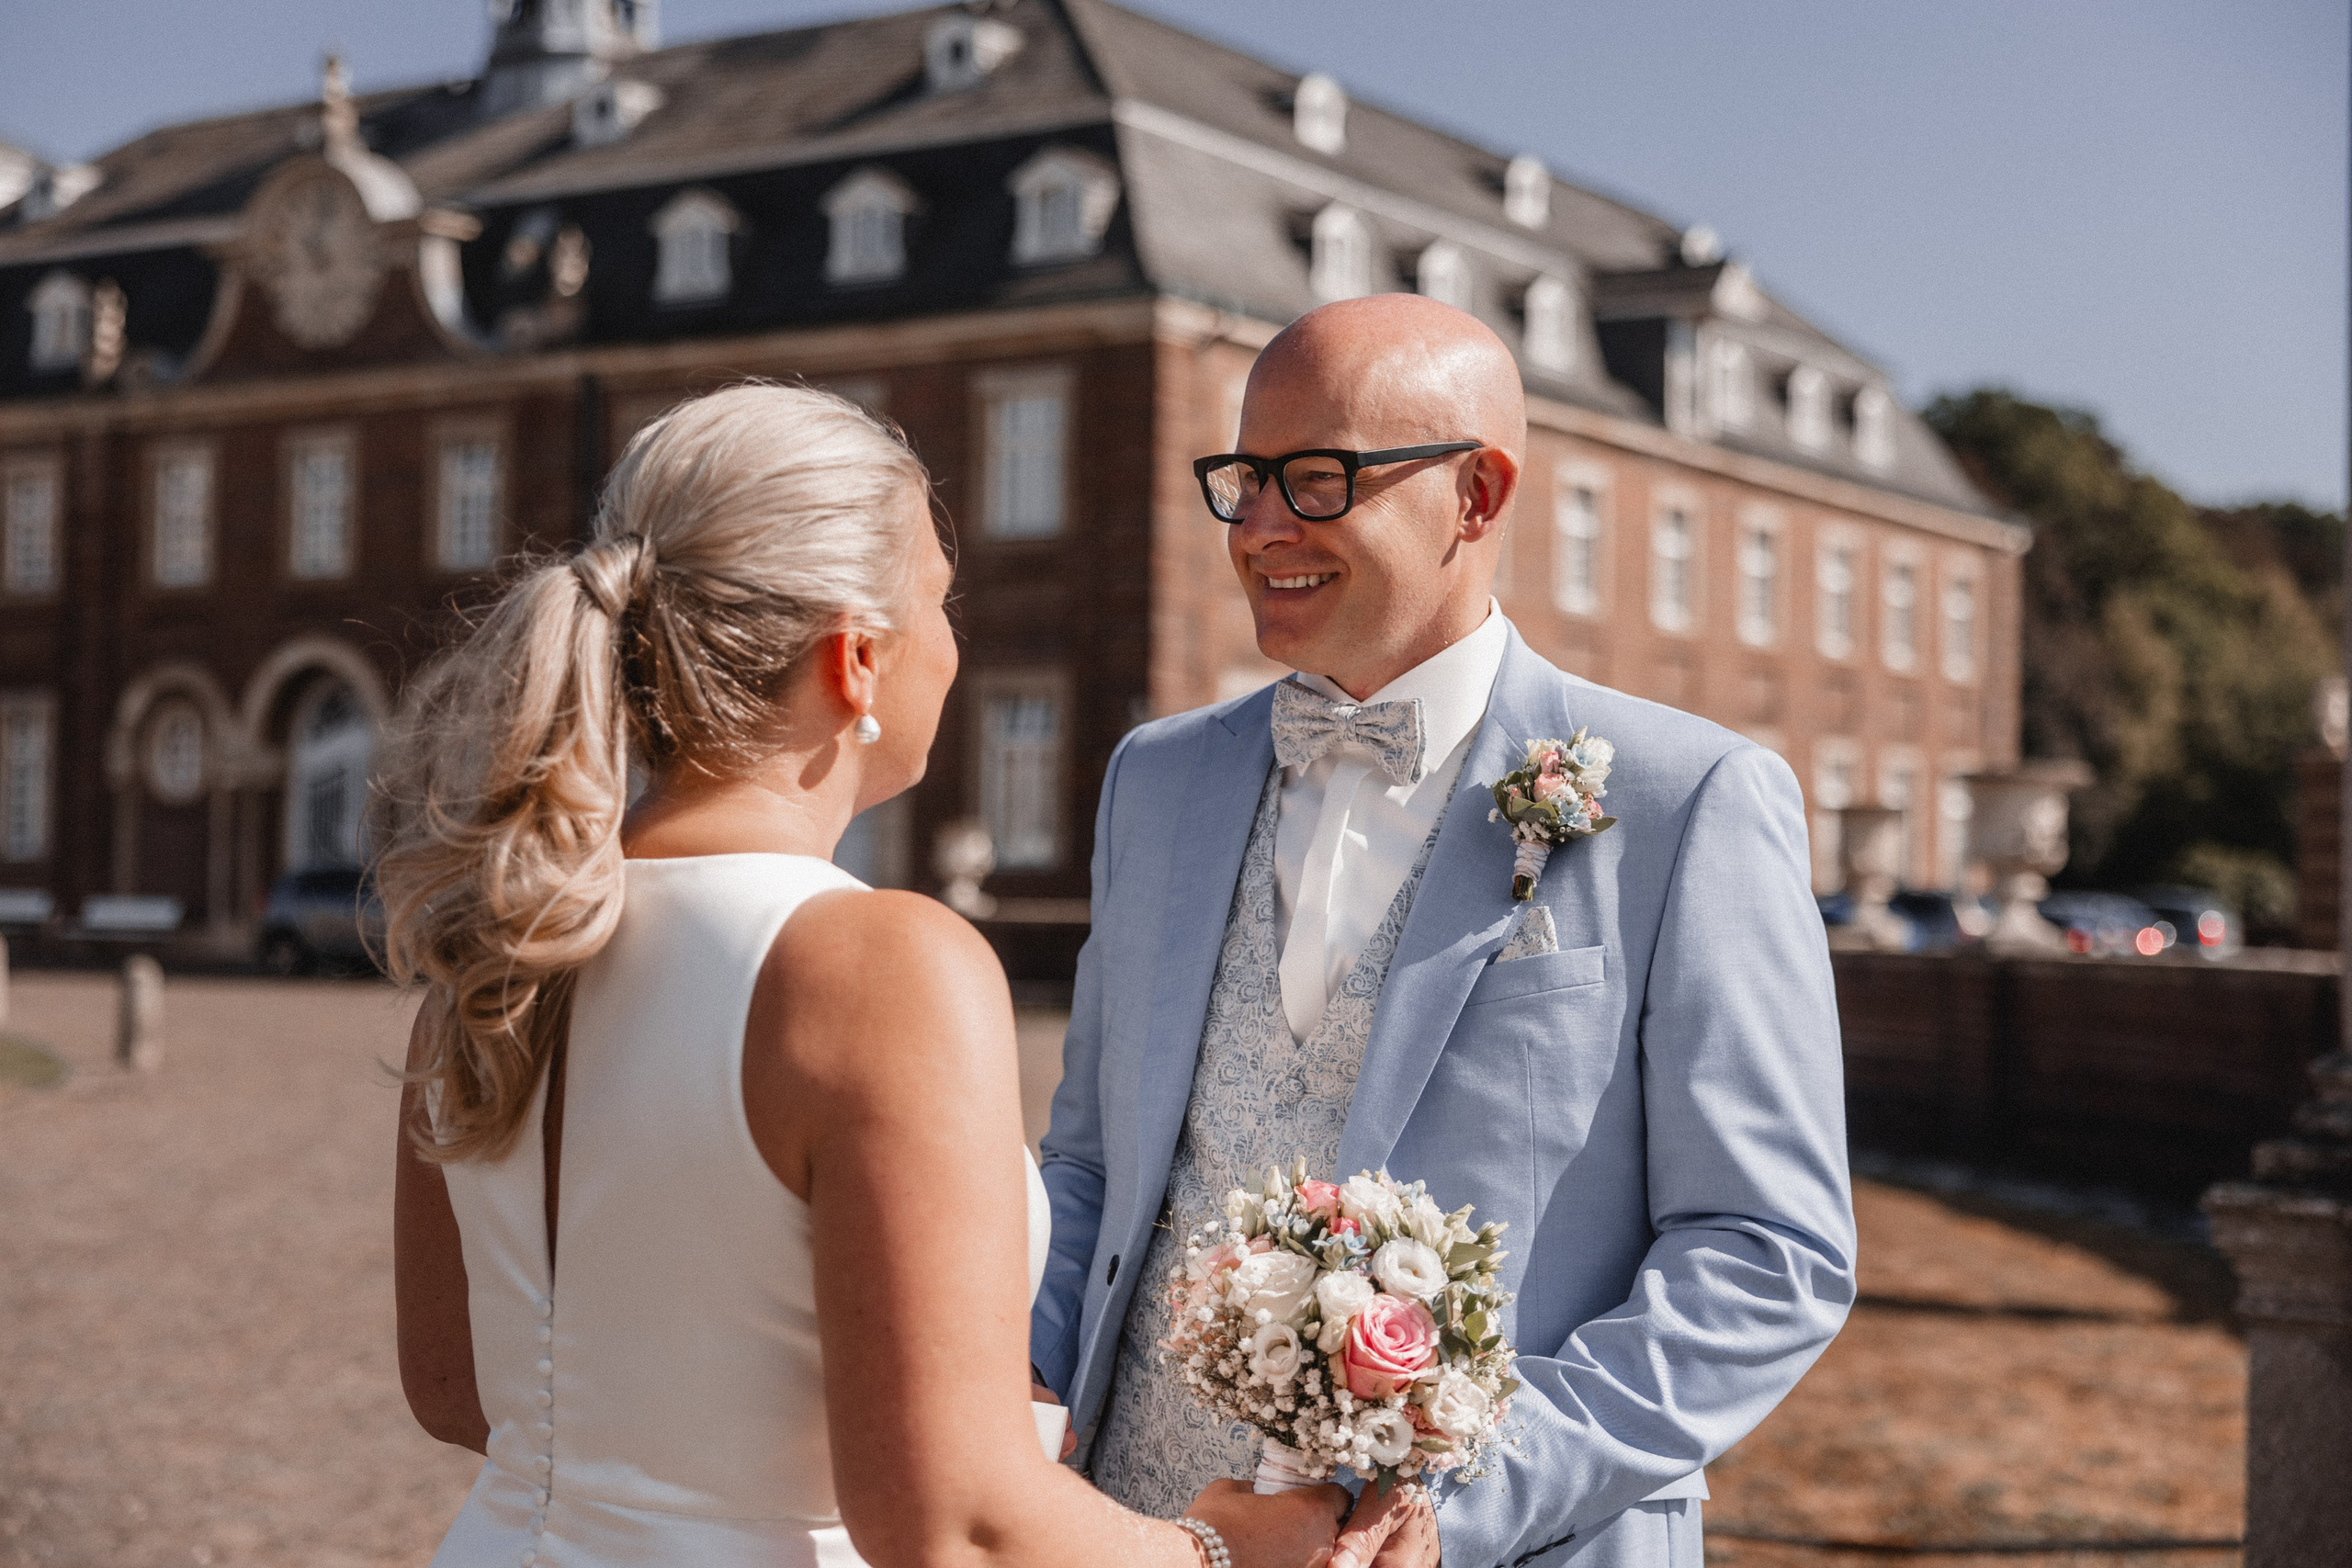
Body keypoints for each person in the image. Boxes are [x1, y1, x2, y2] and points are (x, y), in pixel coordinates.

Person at [382, 385, 1395, 1568]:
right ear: (857, 659)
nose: (953, 643)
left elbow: (457, 1387)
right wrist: (1221, 1552)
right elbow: (953, 1528)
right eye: (941, 602)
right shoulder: (877, 968)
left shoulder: (503, 943)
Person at [1031, 297, 1858, 1568]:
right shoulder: (1156, 778)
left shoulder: (1686, 798)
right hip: (1136, 1529)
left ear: (1478, 494)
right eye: (1243, 478)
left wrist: (1465, 1504)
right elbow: (1088, 1162)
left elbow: (1766, 1254)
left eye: (1315, 480)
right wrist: (1024, 1384)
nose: (1257, 530)